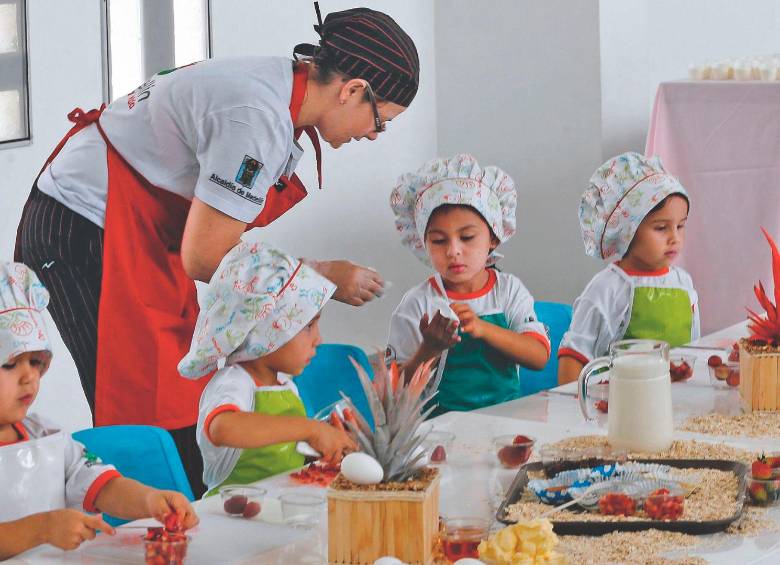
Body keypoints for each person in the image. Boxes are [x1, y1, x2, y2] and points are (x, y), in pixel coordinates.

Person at [14, 5, 418, 495]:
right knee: (137, 394)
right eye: (381, 120)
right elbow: (206, 258)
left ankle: (189, 512)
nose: (374, 134)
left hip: (147, 230)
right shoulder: (257, 118)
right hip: (84, 227)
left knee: (179, 383)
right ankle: (146, 523)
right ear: (352, 90)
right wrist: (320, 277)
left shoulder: (280, 97)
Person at [0, 262, 198, 559]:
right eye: (10, 364)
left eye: (35, 361)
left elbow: (99, 485)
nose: (29, 376)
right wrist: (41, 528)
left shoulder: (48, 438)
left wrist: (148, 500)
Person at [178, 235, 356, 495]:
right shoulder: (234, 382)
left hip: (276, 509)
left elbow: (279, 460)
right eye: (308, 326)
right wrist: (310, 430)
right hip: (231, 515)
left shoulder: (284, 385)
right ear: (263, 333)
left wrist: (323, 446)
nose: (319, 339)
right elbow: (222, 428)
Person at [386, 154, 550, 416]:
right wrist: (430, 348)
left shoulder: (508, 291)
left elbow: (538, 356)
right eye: (439, 241)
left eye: (467, 237)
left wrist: (482, 328)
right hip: (440, 435)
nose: (453, 251)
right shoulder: (417, 304)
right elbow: (392, 392)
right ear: (422, 244)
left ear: (493, 238)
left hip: (507, 426)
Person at [557, 152, 700, 385]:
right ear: (627, 231)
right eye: (661, 228)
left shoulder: (684, 283)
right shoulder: (606, 289)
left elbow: (692, 350)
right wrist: (575, 411)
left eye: (681, 226)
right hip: (617, 410)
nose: (675, 237)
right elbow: (573, 358)